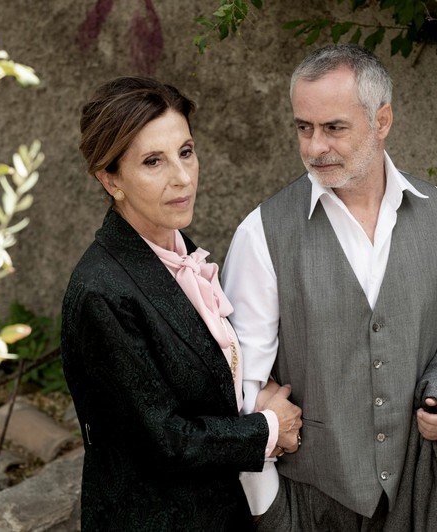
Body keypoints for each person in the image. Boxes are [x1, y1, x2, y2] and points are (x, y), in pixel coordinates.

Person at [222, 44, 437, 529]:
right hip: (313, 500)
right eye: (303, 128)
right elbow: (240, 380)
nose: (314, 147)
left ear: (382, 120)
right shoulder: (262, 232)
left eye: (334, 128)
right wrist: (269, 509)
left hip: (425, 488)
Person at [61, 76, 303, 530]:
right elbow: (164, 441)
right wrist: (268, 429)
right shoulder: (102, 292)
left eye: (186, 152)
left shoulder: (177, 250)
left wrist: (252, 392)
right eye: (153, 161)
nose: (182, 177)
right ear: (110, 179)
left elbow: (199, 377)